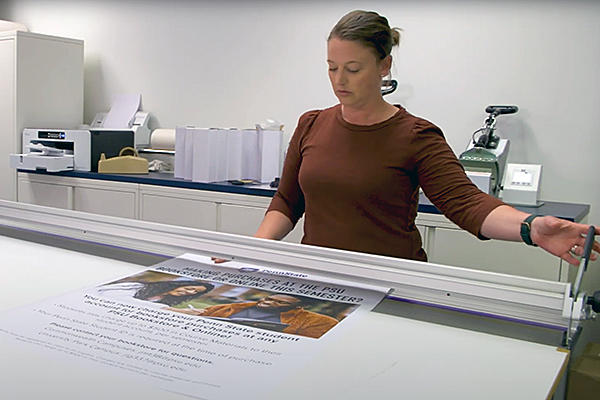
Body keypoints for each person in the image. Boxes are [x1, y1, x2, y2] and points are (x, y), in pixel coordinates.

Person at [254, 10, 599, 266]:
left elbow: (467, 203)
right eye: (332, 67)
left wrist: (531, 228)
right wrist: (252, 250)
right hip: (319, 276)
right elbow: (287, 202)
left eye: (353, 68)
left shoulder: (416, 135)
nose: (339, 79)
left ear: (384, 66)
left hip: (392, 283)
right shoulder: (311, 124)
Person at [175, 294, 338, 338]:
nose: (267, 302)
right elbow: (203, 313)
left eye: (279, 303)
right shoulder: (237, 306)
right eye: (268, 298)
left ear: (298, 307)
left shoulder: (319, 321)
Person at [95, 279, 215, 307]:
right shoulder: (139, 286)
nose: (189, 292)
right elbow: (111, 296)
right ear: (181, 285)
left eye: (194, 293)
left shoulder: (166, 302)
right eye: (190, 288)